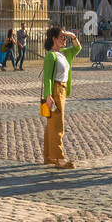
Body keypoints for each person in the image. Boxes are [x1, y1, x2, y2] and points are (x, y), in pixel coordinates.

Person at [41, 26, 81, 169]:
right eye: (61, 37)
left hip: (62, 90)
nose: (64, 39)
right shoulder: (51, 56)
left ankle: (48, 156)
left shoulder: (64, 53)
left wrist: (71, 35)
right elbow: (47, 78)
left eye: (64, 37)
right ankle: (59, 158)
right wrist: (48, 96)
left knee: (51, 124)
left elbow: (78, 48)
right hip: (56, 91)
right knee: (58, 124)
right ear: (54, 39)